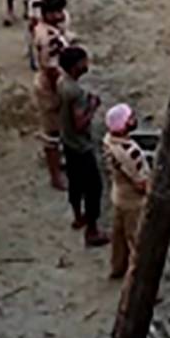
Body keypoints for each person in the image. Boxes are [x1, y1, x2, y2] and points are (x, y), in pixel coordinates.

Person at [58, 46, 108, 247]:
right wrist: (93, 106)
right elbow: (80, 124)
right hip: (81, 146)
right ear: (76, 66)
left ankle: (78, 216)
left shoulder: (62, 83)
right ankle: (92, 230)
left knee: (75, 183)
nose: (87, 65)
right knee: (93, 188)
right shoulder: (75, 91)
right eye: (84, 62)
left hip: (68, 142)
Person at [103, 103, 150, 281]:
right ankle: (139, 282)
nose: (133, 120)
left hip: (118, 195)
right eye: (130, 118)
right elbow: (140, 183)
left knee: (119, 237)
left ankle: (117, 267)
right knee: (137, 243)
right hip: (133, 203)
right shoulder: (130, 152)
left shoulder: (108, 140)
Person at [31, 0, 71, 190]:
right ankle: (55, 176)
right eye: (55, 12)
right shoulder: (49, 38)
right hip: (51, 89)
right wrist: (63, 92)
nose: (60, 15)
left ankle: (58, 165)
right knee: (52, 135)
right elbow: (52, 70)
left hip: (50, 84)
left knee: (58, 131)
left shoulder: (45, 29)